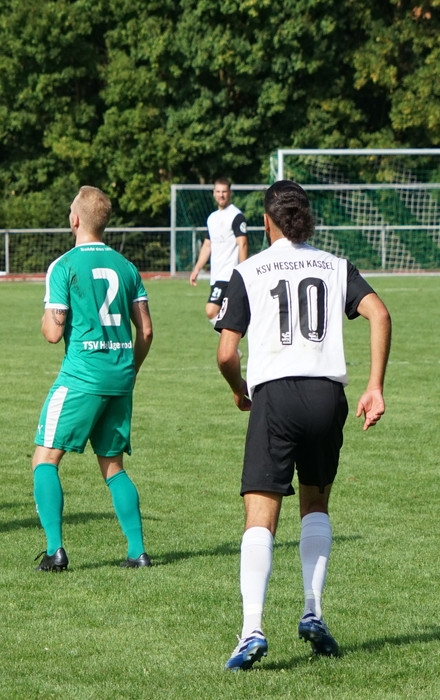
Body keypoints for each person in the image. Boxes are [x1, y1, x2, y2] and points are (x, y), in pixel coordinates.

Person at [215, 180, 391, 670]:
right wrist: (374, 385)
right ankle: (312, 611)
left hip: (276, 396)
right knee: (315, 503)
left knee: (260, 513)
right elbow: (379, 313)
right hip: (326, 396)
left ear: (268, 222)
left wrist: (238, 388)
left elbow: (227, 352)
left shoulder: (248, 270)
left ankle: (252, 628)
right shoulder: (335, 266)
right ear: (306, 219)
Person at [31, 186, 154, 573]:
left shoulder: (64, 266)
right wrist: (129, 371)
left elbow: (53, 334)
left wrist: (47, 316)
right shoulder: (127, 267)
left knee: (45, 458)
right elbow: (146, 331)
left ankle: (55, 551)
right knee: (112, 466)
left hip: (81, 376)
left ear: (75, 219)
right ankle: (138, 552)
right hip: (119, 378)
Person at [190, 178, 249, 323]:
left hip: (229, 274)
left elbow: (242, 243)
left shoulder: (236, 215)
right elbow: (207, 245)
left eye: (224, 192)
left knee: (212, 311)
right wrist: (197, 269)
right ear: (213, 193)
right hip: (216, 275)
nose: (221, 195)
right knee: (227, 314)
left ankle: (230, 345)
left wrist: (244, 272)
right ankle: (231, 345)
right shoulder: (212, 218)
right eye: (218, 191)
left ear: (230, 193)